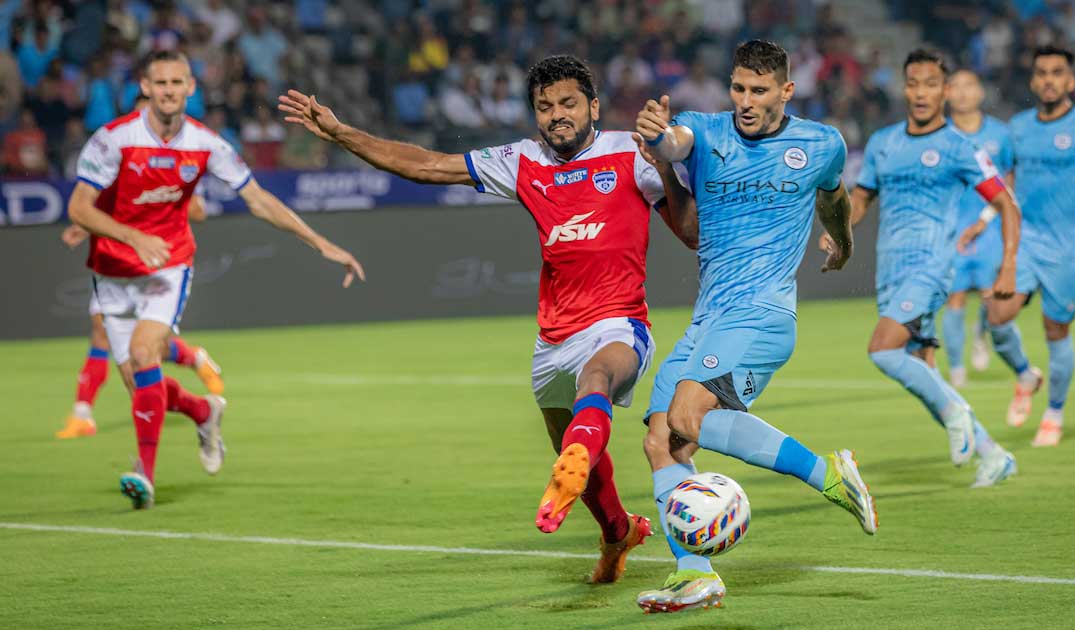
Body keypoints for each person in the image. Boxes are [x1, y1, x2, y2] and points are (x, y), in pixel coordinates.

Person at [279, 55, 698, 584]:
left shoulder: (630, 153)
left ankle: (573, 463)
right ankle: (618, 532)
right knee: (568, 436)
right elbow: (427, 165)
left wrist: (664, 162)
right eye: (544, 107)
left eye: (568, 104)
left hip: (619, 323)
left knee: (595, 385)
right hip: (553, 338)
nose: (556, 116)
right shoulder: (522, 160)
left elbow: (691, 232)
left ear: (593, 106)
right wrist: (341, 134)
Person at [635, 39, 876, 614]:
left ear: (786, 91)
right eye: (739, 87)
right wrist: (655, 137)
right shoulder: (704, 130)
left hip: (763, 313)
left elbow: (834, 198)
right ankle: (696, 574)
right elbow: (674, 141)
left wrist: (842, 241)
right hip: (711, 316)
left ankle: (828, 476)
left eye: (760, 90)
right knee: (659, 439)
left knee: (688, 415)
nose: (745, 100)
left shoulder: (820, 143)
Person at [68, 50, 364, 510]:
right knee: (139, 383)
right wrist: (130, 236)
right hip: (113, 270)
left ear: (191, 88)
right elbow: (79, 207)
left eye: (177, 82)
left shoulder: (207, 144)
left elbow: (260, 201)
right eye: (160, 83)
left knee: (146, 354)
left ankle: (142, 475)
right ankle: (203, 411)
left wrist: (320, 243)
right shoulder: (113, 140)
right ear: (145, 88)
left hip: (169, 263)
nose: (168, 91)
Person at [834, 49, 1021, 488]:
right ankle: (993, 454)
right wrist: (839, 228)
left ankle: (959, 414)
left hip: (932, 267)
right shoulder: (883, 142)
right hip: (891, 272)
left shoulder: (961, 147)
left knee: (883, 349)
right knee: (924, 371)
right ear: (904, 87)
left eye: (931, 84)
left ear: (946, 91)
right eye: (914, 83)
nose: (921, 92)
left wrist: (1008, 265)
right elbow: (861, 198)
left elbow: (1006, 205)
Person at [961, 45, 1075, 447]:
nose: (1049, 79)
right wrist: (985, 220)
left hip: (1066, 250)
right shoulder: (1017, 128)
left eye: (1057, 73)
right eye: (1042, 72)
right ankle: (1024, 375)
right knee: (997, 314)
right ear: (1034, 80)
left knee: (1057, 329)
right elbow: (1007, 183)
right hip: (1025, 243)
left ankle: (1054, 411)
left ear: (1071, 81)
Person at [56, 197, 224, 439]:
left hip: (152, 264)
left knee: (141, 350)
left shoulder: (171, 165)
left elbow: (197, 211)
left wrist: (163, 202)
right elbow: (113, 202)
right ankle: (82, 414)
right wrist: (88, 224)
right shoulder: (118, 166)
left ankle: (193, 367)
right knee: (105, 334)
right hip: (114, 262)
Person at [940, 69, 1019, 387]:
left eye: (968, 86)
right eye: (955, 87)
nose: (961, 93)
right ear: (946, 94)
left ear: (980, 93)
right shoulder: (939, 134)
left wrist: (987, 218)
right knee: (955, 297)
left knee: (991, 296)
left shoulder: (1000, 134)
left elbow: (1009, 180)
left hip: (990, 227)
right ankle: (957, 370)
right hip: (953, 228)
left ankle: (981, 334)